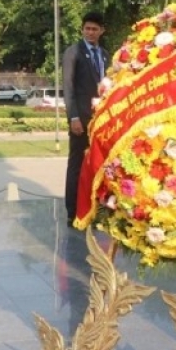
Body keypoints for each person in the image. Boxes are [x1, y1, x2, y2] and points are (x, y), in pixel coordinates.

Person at [61, 11, 107, 224]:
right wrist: (73, 117)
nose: (90, 32)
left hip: (102, 120)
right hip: (81, 119)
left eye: (94, 29)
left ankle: (94, 210)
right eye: (87, 28)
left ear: (101, 31)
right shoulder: (74, 52)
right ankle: (73, 211)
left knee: (98, 164)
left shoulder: (105, 55)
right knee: (77, 164)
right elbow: (68, 87)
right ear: (82, 30)